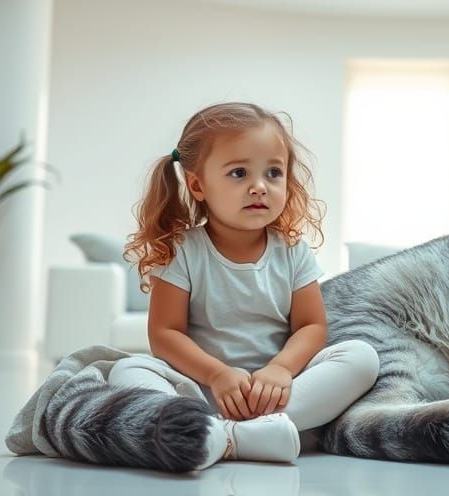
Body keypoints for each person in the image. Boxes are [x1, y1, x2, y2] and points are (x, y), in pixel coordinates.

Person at [115, 102, 379, 468]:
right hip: (204, 390)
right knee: (126, 371)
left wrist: (281, 369)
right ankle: (243, 433)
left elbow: (312, 326)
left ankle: (216, 436)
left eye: (273, 172)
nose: (259, 187)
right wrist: (217, 374)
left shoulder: (292, 250)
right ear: (197, 185)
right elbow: (165, 334)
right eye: (239, 173)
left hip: (278, 392)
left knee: (361, 357)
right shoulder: (184, 250)